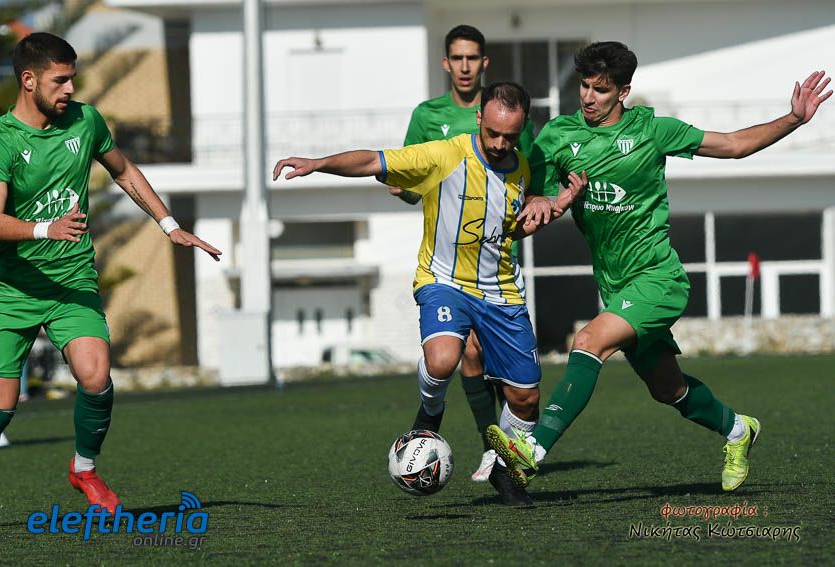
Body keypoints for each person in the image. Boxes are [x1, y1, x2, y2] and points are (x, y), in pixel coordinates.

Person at [487, 41, 832, 494]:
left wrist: (793, 119)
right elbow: (537, 200)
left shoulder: (653, 131)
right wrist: (547, 202)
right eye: (584, 86)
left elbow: (732, 145)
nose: (588, 97)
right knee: (668, 389)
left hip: (658, 279)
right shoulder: (557, 135)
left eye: (600, 89)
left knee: (588, 342)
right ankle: (738, 430)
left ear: (623, 91)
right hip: (615, 287)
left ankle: (532, 451)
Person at [275, 82, 585, 505]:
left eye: (509, 136)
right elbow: (372, 160)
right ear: (479, 117)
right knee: (442, 359)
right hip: (444, 281)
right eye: (492, 132)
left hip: (501, 292)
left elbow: (511, 231)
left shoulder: (522, 171)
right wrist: (318, 163)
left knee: (526, 398)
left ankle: (504, 469)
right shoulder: (444, 155)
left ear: (523, 127)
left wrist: (554, 206)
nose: (499, 143)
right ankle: (429, 415)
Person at [0, 32, 222, 531]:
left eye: (73, 78)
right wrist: (45, 229)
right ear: (28, 81)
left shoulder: (86, 120)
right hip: (13, 289)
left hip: (72, 282)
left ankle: (84, 469)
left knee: (95, 377)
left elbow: (124, 170)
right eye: (60, 80)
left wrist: (169, 225)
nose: (70, 88)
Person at [391, 24, 535, 483]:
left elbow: (527, 182)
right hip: (449, 263)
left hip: (497, 264)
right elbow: (410, 181)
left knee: (509, 376)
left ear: (484, 62)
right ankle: (489, 448)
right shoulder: (428, 116)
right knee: (462, 353)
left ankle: (502, 450)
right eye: (458, 58)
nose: (466, 66)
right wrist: (404, 188)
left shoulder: (509, 114)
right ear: (446, 63)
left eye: (473, 57)